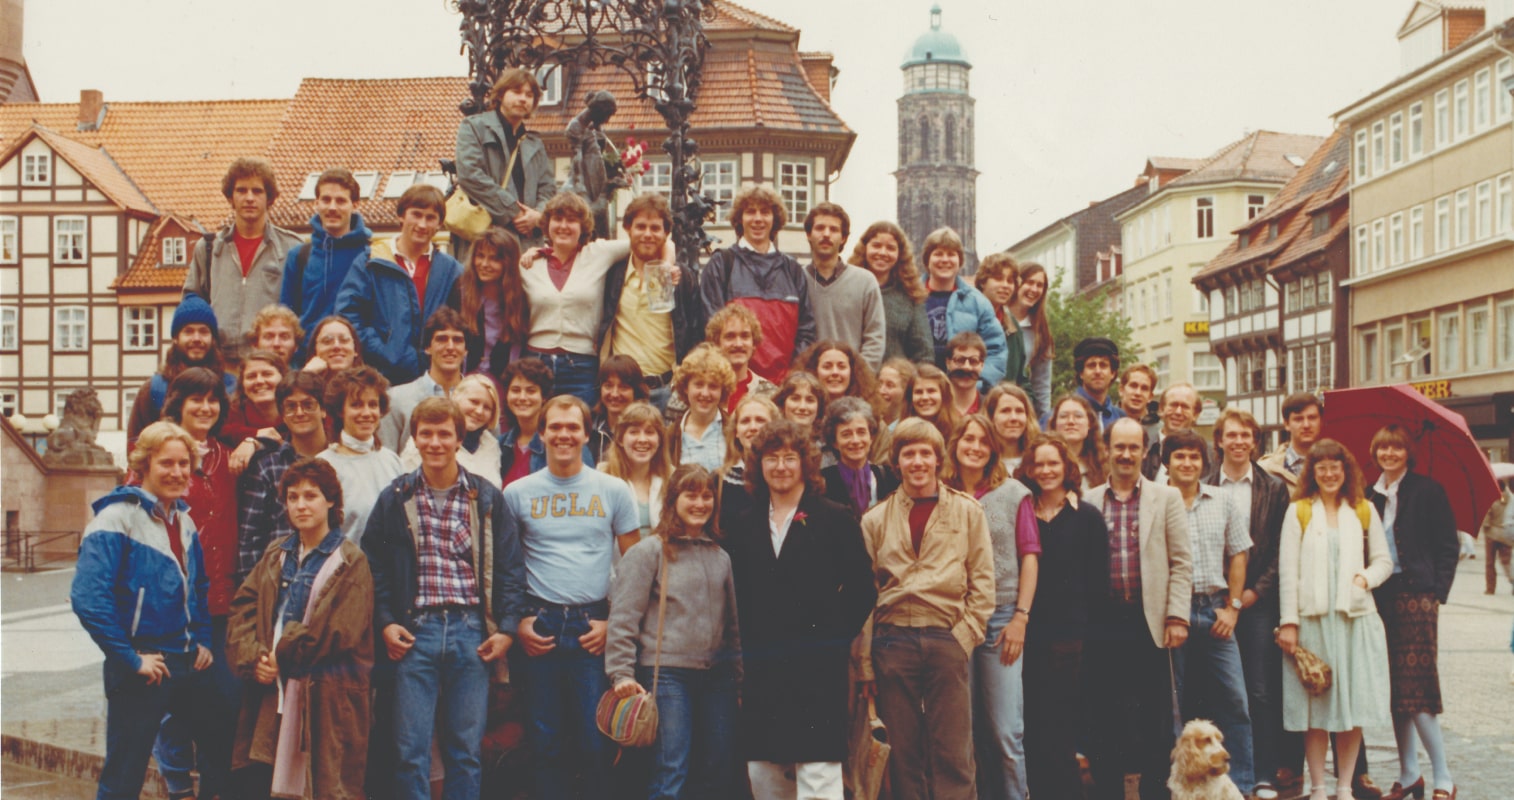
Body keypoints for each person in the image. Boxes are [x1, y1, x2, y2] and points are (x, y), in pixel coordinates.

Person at [362, 397, 521, 800]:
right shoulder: (395, 498)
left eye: (444, 434)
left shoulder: (485, 498)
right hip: (415, 633)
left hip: (472, 633)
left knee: (465, 749)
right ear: (415, 438)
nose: (435, 443)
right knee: (410, 750)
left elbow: (509, 566)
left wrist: (505, 628)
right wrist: (385, 620)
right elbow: (373, 566)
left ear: (458, 438)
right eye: (426, 434)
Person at [725, 419, 876, 799]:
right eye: (771, 458)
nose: (780, 466)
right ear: (758, 465)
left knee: (818, 773)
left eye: (789, 457)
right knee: (764, 772)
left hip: (817, 669)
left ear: (805, 463)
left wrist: (830, 638)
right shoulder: (743, 525)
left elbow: (862, 589)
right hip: (763, 668)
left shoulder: (835, 517)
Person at [504, 395, 641, 799]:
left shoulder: (614, 490)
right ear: (541, 433)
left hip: (592, 625)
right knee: (545, 740)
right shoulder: (517, 493)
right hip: (539, 625)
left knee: (594, 738)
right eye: (555, 427)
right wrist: (519, 622)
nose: (564, 434)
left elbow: (634, 566)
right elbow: (507, 568)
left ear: (586, 434)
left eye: (572, 427)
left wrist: (613, 623)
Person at [72, 421, 214, 800]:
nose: (178, 472)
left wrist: (202, 638)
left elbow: (198, 587)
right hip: (141, 664)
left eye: (184, 463)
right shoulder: (115, 518)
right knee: (125, 773)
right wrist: (130, 659)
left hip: (184, 659)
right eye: (166, 463)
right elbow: (88, 599)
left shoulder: (183, 520)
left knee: (214, 755)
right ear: (144, 465)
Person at [858, 416, 994, 800]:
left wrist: (962, 638)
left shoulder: (968, 512)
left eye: (925, 453)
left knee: (952, 749)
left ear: (938, 459)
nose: (917, 462)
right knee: (902, 752)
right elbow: (866, 597)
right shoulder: (875, 520)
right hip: (893, 639)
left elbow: (983, 582)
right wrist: (867, 660)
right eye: (908, 454)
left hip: (945, 637)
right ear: (895, 462)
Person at [226, 457, 374, 799]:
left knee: (323, 784)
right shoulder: (276, 553)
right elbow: (243, 610)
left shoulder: (350, 560)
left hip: (325, 694)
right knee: (268, 778)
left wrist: (283, 654)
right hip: (271, 688)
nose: (300, 505)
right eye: (293, 497)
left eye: (311, 496)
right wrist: (255, 656)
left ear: (331, 501)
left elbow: (342, 631)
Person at [606, 464, 743, 799]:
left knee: (717, 766)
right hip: (667, 676)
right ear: (673, 500)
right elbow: (623, 617)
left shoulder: (719, 555)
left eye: (707, 496)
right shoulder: (650, 551)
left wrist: (738, 679)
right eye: (690, 495)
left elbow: (732, 627)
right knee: (671, 769)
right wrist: (620, 673)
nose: (700, 503)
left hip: (716, 679)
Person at [1080, 417, 1194, 800]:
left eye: (1133, 447)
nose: (1126, 454)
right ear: (1107, 450)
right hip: (1103, 625)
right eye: (1119, 447)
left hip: (1149, 623)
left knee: (1155, 719)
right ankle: (1110, 791)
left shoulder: (1167, 498)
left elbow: (1181, 561)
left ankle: (1156, 794)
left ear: (1145, 452)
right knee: (1104, 714)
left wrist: (1177, 616)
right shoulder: (1088, 499)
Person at [1277, 439, 1392, 800]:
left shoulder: (1362, 510)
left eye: (1335, 467)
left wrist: (1364, 579)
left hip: (1354, 620)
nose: (1328, 473)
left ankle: (1344, 787)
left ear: (1346, 471)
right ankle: (1318, 787)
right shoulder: (1299, 511)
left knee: (1351, 707)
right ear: (1313, 472)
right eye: (1321, 467)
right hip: (1313, 624)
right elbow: (1287, 570)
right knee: (1316, 710)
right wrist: (1289, 622)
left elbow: (1384, 562)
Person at [152, 369, 240, 800]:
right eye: (196, 399)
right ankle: (178, 789)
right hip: (172, 608)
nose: (206, 408)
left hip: (219, 605)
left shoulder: (227, 457)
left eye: (213, 399)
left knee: (218, 706)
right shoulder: (161, 457)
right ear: (178, 404)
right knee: (174, 708)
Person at [944, 414, 1039, 800]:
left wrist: (1021, 617)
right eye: (968, 439)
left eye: (984, 442)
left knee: (1005, 728)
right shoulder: (940, 491)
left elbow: (1029, 555)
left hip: (1001, 618)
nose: (975, 447)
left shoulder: (1014, 493)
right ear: (956, 444)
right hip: (954, 618)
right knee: (959, 728)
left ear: (993, 450)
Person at [1012, 434, 1111, 799]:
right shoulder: (1022, 513)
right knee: (1033, 722)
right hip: (1028, 633)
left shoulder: (1086, 516)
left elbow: (1099, 584)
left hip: (1071, 636)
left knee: (1063, 723)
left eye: (1053, 463)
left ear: (1066, 467)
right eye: (1039, 464)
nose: (1046, 470)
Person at [1367, 425, 1460, 800]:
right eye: (1383, 447)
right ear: (1375, 452)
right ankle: (1409, 775)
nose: (1389, 454)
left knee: (1418, 688)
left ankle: (1443, 777)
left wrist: (1437, 592)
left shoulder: (1428, 490)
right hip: (1381, 597)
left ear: (1408, 452)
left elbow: (1447, 545)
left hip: (1417, 597)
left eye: (1396, 448)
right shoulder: (1368, 495)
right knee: (1394, 690)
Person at [1162, 429, 1256, 796]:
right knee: (1172, 705)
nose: (1187, 463)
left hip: (1215, 609)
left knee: (1236, 701)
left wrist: (1232, 608)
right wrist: (1171, 614)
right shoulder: (1157, 501)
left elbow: (1239, 554)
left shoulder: (1223, 500)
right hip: (1174, 613)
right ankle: (1179, 788)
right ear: (1166, 461)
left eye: (1194, 456)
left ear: (1205, 462)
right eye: (1180, 456)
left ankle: (1241, 787)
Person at [1212, 407, 1296, 800]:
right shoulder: (1202, 481)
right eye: (1232, 435)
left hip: (1257, 603)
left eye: (1246, 435)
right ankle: (1219, 772)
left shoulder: (1273, 488)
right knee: (1214, 689)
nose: (1239, 441)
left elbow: (1281, 552)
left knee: (1259, 690)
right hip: (1213, 601)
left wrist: (1254, 592)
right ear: (1220, 440)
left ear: (1255, 442)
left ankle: (1261, 773)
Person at [337, 184, 464, 386]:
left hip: (431, 378)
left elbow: (461, 324)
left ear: (439, 223)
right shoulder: (371, 261)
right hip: (380, 375)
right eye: (416, 214)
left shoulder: (451, 270)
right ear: (401, 216)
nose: (422, 224)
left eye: (430, 218)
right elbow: (348, 315)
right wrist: (384, 351)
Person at [521, 192, 641, 406]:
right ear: (547, 224)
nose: (563, 226)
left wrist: (667, 264)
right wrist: (537, 251)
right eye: (558, 219)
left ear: (583, 227)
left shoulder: (598, 253)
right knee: (538, 431)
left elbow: (649, 241)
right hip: (535, 362)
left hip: (582, 365)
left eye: (571, 220)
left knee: (580, 429)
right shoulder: (529, 263)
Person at [183, 157, 302, 360]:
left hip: (269, 363)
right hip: (218, 364)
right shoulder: (210, 248)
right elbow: (192, 302)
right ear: (230, 197)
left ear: (269, 198)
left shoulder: (292, 248)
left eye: (257, 191)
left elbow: (301, 310)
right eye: (241, 190)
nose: (249, 198)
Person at [699, 186, 816, 383]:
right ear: (739, 219)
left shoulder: (793, 270)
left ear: (775, 219)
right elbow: (711, 329)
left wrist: (792, 374)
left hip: (782, 386)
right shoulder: (721, 265)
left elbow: (807, 330)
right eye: (750, 212)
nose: (758, 219)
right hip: (735, 382)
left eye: (765, 212)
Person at [596, 192, 704, 406]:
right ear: (628, 229)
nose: (647, 234)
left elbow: (694, 334)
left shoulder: (680, 278)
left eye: (655, 228)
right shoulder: (613, 274)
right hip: (623, 391)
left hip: (667, 389)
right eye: (641, 226)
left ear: (666, 233)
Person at [236, 371, 330, 585]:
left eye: (308, 404)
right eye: (291, 406)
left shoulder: (339, 460)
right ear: (282, 413)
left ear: (323, 409)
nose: (299, 412)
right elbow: (249, 541)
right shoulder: (267, 466)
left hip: (334, 583)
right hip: (280, 583)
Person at [454, 66, 559, 245]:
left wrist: (537, 216)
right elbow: (469, 174)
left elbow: (548, 188)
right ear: (501, 95)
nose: (522, 99)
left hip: (528, 242)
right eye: (516, 92)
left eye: (529, 95)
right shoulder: (474, 127)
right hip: (489, 238)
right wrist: (513, 211)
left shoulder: (534, 142)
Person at [281, 168, 373, 357]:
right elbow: (287, 317)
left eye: (340, 201)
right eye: (326, 200)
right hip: (309, 360)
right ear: (316, 203)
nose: (332, 207)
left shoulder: (371, 256)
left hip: (356, 361)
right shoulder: (300, 256)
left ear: (354, 205)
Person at [126, 295, 234, 451]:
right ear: (176, 338)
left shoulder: (232, 387)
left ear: (213, 338)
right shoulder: (153, 389)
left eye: (203, 332)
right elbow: (135, 445)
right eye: (188, 331)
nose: (196, 338)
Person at [317, 366, 404, 544]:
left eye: (372, 405)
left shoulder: (392, 461)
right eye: (356, 405)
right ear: (340, 411)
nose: (366, 413)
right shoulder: (324, 465)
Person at [919, 227, 1007, 390]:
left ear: (959, 261)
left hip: (961, 394)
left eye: (951, 254)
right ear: (927, 260)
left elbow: (996, 350)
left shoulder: (977, 302)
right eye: (938, 253)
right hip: (921, 392)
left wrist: (977, 384)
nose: (945, 259)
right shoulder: (911, 297)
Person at [803, 203, 886, 371]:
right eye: (820, 228)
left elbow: (875, 338)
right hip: (807, 386)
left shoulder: (864, 282)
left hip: (852, 383)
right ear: (808, 234)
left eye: (833, 229)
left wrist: (859, 377)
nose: (826, 234)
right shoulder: (796, 280)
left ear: (843, 238)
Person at [380, 307, 471, 454]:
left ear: (466, 350)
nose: (450, 347)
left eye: (457, 340)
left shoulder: (480, 400)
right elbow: (386, 457)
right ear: (428, 348)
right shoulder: (397, 398)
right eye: (441, 339)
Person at [447, 226, 528, 377]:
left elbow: (517, 349)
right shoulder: (461, 291)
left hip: (503, 377)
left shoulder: (519, 297)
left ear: (508, 263)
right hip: (465, 377)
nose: (484, 264)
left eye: (494, 259)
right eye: (480, 256)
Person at [399, 374, 504, 487]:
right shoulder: (427, 440)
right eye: (474, 402)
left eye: (487, 407)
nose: (479, 411)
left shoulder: (492, 445)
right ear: (456, 397)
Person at [849, 221, 932, 365]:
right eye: (876, 245)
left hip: (893, 384)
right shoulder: (848, 289)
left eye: (890, 248)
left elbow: (924, 353)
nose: (882, 253)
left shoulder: (910, 295)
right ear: (864, 249)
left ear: (900, 254)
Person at [598, 401, 673, 542]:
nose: (642, 439)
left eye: (650, 432)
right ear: (620, 438)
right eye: (634, 432)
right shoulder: (602, 477)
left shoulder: (672, 478)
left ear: (660, 440)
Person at [819, 397, 898, 518]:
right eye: (846, 434)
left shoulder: (889, 477)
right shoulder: (823, 482)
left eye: (861, 432)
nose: (855, 440)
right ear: (835, 442)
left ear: (871, 437)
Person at [666, 343, 737, 471]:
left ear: (723, 390)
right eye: (698, 385)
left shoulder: (734, 431)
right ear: (686, 387)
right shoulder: (671, 435)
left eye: (713, 386)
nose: (705, 393)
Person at [699, 304, 778, 417]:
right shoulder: (700, 391)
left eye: (745, 336)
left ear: (753, 343)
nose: (738, 344)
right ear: (716, 343)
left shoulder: (771, 393)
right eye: (730, 336)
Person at [716, 394, 779, 534]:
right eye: (745, 421)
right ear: (736, 431)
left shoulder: (786, 475)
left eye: (760, 420)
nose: (753, 427)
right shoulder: (719, 480)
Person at [221, 350, 288, 473]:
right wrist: (255, 434)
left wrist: (256, 441)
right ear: (242, 384)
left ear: (283, 378)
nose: (259, 381)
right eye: (251, 376)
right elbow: (222, 431)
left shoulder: (297, 410)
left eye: (267, 374)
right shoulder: (233, 412)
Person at [1002, 262, 1053, 418]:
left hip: (1016, 407)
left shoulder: (1040, 331)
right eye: (1029, 282)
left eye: (1040, 285)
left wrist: (1044, 420)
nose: (1034, 289)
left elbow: (1042, 383)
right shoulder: (996, 317)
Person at [974, 253, 1027, 395]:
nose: (1005, 286)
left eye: (1010, 281)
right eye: (998, 279)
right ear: (982, 282)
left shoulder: (1013, 325)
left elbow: (1021, 378)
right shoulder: (969, 318)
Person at [1141, 382, 1215, 482]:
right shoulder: (1143, 447)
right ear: (1161, 409)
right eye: (1173, 405)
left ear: (1196, 414)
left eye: (1185, 407)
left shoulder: (1210, 455)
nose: (1178, 412)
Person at [1053, 336, 1123, 430]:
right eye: (1091, 365)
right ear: (1081, 373)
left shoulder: (1121, 419)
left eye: (1103, 365)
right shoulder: (1058, 417)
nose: (1097, 371)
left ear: (1113, 373)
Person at [589, 355, 649, 464]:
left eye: (623, 387)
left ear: (636, 391)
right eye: (608, 386)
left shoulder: (648, 432)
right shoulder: (590, 429)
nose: (615, 394)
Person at [1259, 391, 1323, 491]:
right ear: (1286, 424)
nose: (1306, 425)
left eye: (1312, 418)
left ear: (1321, 421)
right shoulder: (1266, 471)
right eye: (1298, 419)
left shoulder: (1336, 467)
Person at [1048, 393, 1106, 491]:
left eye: (1078, 416)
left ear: (1089, 424)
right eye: (1063, 416)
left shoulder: (1103, 467)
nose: (1071, 421)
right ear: (1054, 425)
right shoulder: (1042, 466)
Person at [795, 339, 878, 407]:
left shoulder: (869, 413)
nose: (835, 372)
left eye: (841, 367)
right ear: (814, 371)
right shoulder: (803, 410)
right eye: (827, 367)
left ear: (852, 372)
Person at [984, 383, 1038, 473]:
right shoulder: (984, 464)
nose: (1014, 418)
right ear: (991, 417)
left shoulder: (1037, 461)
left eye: (1019, 411)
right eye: (1005, 411)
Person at [904, 363, 958, 442]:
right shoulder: (898, 431)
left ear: (944, 395)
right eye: (918, 392)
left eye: (931, 391)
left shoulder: (958, 433)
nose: (925, 397)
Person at [944, 331, 988, 416]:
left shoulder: (990, 409)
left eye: (973, 361)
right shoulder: (937, 407)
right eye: (960, 360)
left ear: (982, 365)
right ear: (948, 363)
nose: (966, 367)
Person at [772, 370, 826, 437]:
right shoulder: (770, 440)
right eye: (795, 399)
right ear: (782, 403)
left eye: (810, 400)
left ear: (819, 407)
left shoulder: (829, 441)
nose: (802, 407)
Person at [874, 357, 916, 430]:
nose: (881, 391)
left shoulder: (911, 428)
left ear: (906, 390)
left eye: (890, 385)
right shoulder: (870, 422)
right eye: (880, 384)